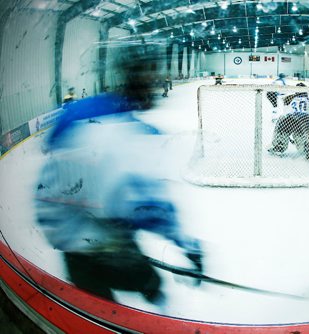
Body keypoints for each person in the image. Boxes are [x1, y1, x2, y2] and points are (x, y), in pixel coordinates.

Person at [35, 39, 204, 308]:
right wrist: (187, 245)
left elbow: (54, 166)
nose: (158, 82)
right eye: (150, 75)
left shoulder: (83, 113)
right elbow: (147, 206)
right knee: (146, 288)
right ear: (134, 77)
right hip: (95, 247)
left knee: (124, 293)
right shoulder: (130, 133)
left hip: (79, 241)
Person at [268, 83, 309, 160]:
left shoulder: (291, 99)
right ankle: (305, 148)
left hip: (289, 120)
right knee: (302, 146)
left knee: (282, 123)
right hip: (303, 123)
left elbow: (286, 112)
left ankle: (279, 144)